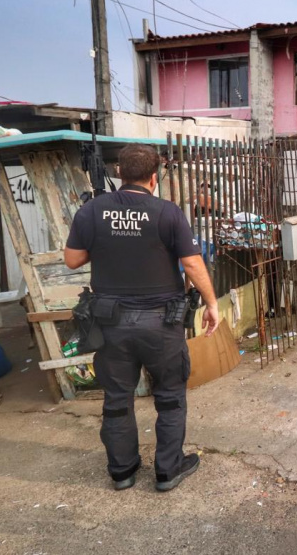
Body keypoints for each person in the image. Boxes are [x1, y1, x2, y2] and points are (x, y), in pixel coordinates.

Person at [64, 144, 220, 492]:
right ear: (154, 176)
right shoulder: (167, 212)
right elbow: (192, 263)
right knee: (170, 397)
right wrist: (211, 303)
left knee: (117, 399)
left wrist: (105, 243)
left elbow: (72, 260)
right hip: (161, 324)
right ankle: (167, 470)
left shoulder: (91, 211)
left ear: (119, 172)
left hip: (111, 325)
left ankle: (122, 472)